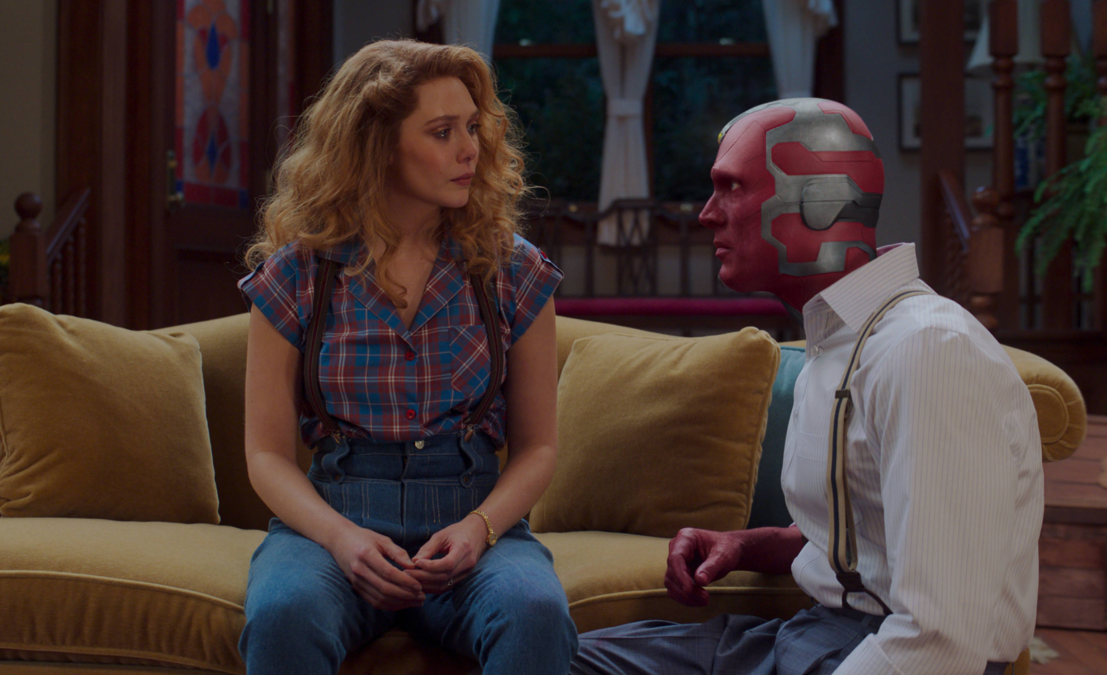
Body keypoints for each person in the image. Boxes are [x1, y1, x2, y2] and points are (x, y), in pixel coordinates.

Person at [570, 98, 1044, 675]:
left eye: (732, 188)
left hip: (882, 652)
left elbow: (940, 639)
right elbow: (869, 540)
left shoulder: (927, 351)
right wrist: (747, 545)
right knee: (551, 657)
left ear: (819, 202)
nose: (708, 214)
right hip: (815, 632)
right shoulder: (839, 337)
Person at [237, 39, 578, 675]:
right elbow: (266, 455)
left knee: (534, 613)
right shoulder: (298, 275)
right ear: (378, 146)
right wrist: (341, 539)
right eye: (443, 132)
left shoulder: (513, 269)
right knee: (285, 614)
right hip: (335, 523)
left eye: (472, 127)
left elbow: (538, 448)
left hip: (470, 520)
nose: (470, 149)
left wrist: (479, 528)